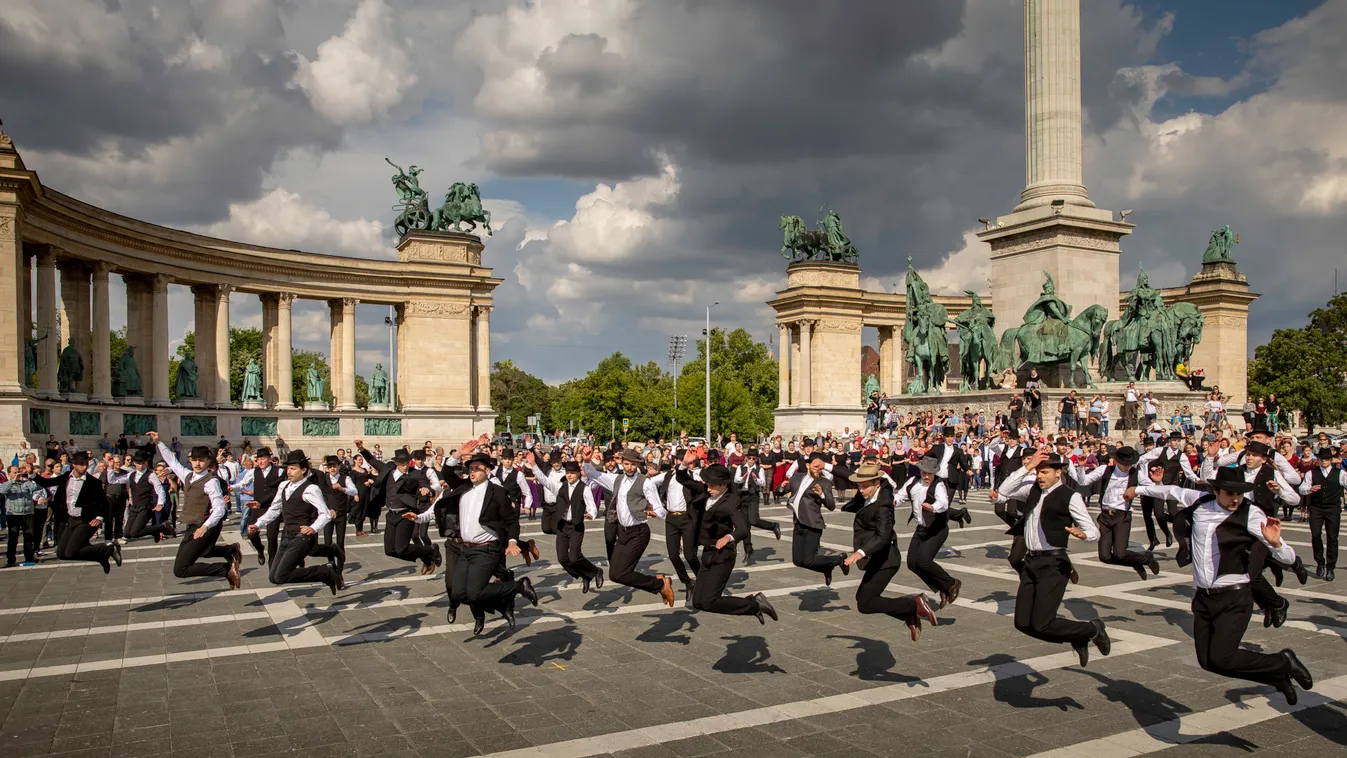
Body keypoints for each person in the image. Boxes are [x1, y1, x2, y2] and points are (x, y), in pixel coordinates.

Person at [1135, 463, 1313, 704]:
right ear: (1216, 491)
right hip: (1203, 598)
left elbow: (1289, 557)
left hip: (1234, 598)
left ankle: (1283, 662)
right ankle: (1276, 678)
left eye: (1240, 493)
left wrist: (1277, 544)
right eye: (1230, 493)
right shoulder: (1199, 501)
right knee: (1208, 662)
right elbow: (1171, 491)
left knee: (1223, 658)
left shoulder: (1251, 514)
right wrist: (1137, 490)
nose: (1236, 499)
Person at [995, 449, 1111, 667]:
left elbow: (1093, 531)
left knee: (1041, 624)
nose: (1040, 476)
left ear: (1058, 473)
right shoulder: (1032, 490)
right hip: (1031, 562)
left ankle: (1092, 629)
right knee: (1022, 624)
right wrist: (1028, 467)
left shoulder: (1071, 496)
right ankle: (1078, 635)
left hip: (1054, 564)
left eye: (1045, 472)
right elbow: (1004, 490)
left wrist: (1085, 535)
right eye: (1038, 471)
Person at [421, 449, 537, 635]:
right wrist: (459, 453)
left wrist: (513, 541)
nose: (473, 472)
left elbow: (511, 520)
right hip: (465, 550)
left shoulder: (497, 492)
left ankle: (518, 586)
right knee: (458, 593)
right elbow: (447, 473)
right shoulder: (464, 488)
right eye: (471, 469)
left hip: (486, 549)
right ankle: (500, 603)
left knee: (475, 592)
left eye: (477, 468)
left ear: (488, 471)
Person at [839, 461, 938, 640]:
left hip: (886, 560)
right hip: (877, 559)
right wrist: (824, 465)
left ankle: (914, 605)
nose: (860, 490)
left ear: (877, 483)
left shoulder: (884, 505)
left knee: (865, 602)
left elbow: (882, 537)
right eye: (859, 486)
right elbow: (846, 474)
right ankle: (909, 613)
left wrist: (860, 552)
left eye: (864, 486)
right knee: (864, 602)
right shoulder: (871, 494)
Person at [675, 455, 778, 623]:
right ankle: (753, 605)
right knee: (698, 602)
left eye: (713, 486)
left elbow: (743, 529)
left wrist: (730, 537)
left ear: (724, 485)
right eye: (707, 485)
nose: (708, 489)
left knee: (709, 600)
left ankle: (755, 604)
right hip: (708, 552)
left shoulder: (731, 502)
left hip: (724, 555)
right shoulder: (706, 490)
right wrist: (684, 463)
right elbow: (682, 478)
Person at [583, 447, 676, 607]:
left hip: (638, 533)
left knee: (622, 573)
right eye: (627, 464)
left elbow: (659, 507)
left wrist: (659, 513)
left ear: (638, 464)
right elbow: (594, 474)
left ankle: (660, 585)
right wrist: (586, 461)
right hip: (623, 532)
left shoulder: (645, 483)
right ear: (622, 463)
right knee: (614, 574)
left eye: (633, 464)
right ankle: (660, 582)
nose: (629, 467)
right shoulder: (617, 480)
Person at [151, 433, 242, 590]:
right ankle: (230, 550)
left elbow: (220, 508)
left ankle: (227, 569)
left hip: (205, 525)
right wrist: (159, 442)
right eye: (195, 460)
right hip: (193, 525)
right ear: (190, 460)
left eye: (201, 460)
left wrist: (205, 527)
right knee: (205, 552)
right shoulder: (187, 475)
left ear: (207, 462)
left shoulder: (211, 482)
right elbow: (172, 461)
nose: (198, 463)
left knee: (181, 569)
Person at [250, 450, 343, 594]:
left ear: (303, 470)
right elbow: (274, 509)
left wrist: (313, 528)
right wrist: (258, 524)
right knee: (273, 577)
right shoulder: (284, 486)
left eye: (293, 468)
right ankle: (325, 572)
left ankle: (325, 571)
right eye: (288, 468)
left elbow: (324, 514)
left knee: (281, 575)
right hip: (287, 535)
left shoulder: (311, 489)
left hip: (302, 536)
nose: (289, 472)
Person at [356, 442, 441, 574]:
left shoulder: (415, 474)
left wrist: (427, 490)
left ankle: (430, 551)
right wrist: (361, 449)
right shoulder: (387, 471)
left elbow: (425, 485)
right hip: (391, 515)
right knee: (389, 550)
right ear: (396, 463)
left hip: (406, 514)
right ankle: (427, 554)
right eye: (402, 463)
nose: (405, 466)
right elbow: (372, 460)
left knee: (402, 548)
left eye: (407, 462)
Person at [1074, 447, 1159, 578]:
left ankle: (1147, 558)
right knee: (1104, 556)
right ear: (1117, 461)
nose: (1127, 467)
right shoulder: (1105, 470)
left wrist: (1156, 483)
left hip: (1122, 516)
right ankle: (1136, 562)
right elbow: (1083, 481)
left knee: (1120, 553)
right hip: (1105, 516)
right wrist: (1080, 468)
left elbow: (1153, 489)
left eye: (1129, 464)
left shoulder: (1136, 474)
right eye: (1124, 464)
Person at [35, 451, 123, 573]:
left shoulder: (93, 482)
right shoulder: (66, 477)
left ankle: (108, 549)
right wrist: (31, 475)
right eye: (81, 464)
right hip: (71, 519)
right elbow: (47, 482)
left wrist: (99, 518)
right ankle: (101, 556)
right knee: (62, 553)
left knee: (71, 552)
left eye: (86, 464)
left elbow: (104, 502)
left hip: (87, 520)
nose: (84, 467)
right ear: (74, 465)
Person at [894, 457, 962, 608]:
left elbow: (943, 503)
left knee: (924, 561)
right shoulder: (912, 481)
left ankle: (952, 583)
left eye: (930, 474)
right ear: (920, 471)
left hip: (937, 529)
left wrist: (933, 507)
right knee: (912, 563)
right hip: (921, 529)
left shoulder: (938, 485)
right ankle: (942, 588)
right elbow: (900, 496)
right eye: (924, 473)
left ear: (934, 473)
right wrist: (893, 501)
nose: (926, 476)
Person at [530, 456, 603, 593]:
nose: (569, 475)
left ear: (577, 474)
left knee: (575, 557)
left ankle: (595, 571)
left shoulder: (584, 488)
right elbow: (545, 481)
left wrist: (591, 514)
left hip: (576, 527)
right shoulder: (560, 486)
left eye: (572, 473)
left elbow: (592, 507)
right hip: (562, 526)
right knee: (562, 558)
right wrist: (534, 465)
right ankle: (584, 576)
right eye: (567, 473)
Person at [778, 452, 849, 586]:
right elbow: (780, 491)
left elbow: (831, 506)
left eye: (819, 467)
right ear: (808, 465)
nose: (817, 469)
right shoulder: (797, 477)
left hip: (813, 525)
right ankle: (826, 568)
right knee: (798, 561)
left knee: (809, 560)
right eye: (814, 466)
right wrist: (781, 487)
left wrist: (822, 494)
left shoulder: (824, 482)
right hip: (798, 524)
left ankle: (839, 560)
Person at [1299, 448, 1346, 580]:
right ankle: (1320, 562)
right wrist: (1310, 488)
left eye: (1326, 459)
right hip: (1316, 508)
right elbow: (1302, 489)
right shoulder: (1311, 473)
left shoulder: (1340, 473)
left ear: (1331, 460)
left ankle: (1331, 567)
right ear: (1318, 460)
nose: (1324, 461)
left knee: (1332, 538)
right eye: (1321, 459)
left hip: (1333, 509)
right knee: (1315, 535)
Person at [1, 464, 42, 566]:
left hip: (27, 513)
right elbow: (2, 491)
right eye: (14, 472)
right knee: (13, 537)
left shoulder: (25, 483)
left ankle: (29, 558)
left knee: (28, 536)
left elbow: (38, 486)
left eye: (18, 471)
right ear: (9, 474)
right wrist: (13, 480)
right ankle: (11, 559)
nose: (17, 474)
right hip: (13, 514)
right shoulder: (7, 484)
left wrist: (29, 477)